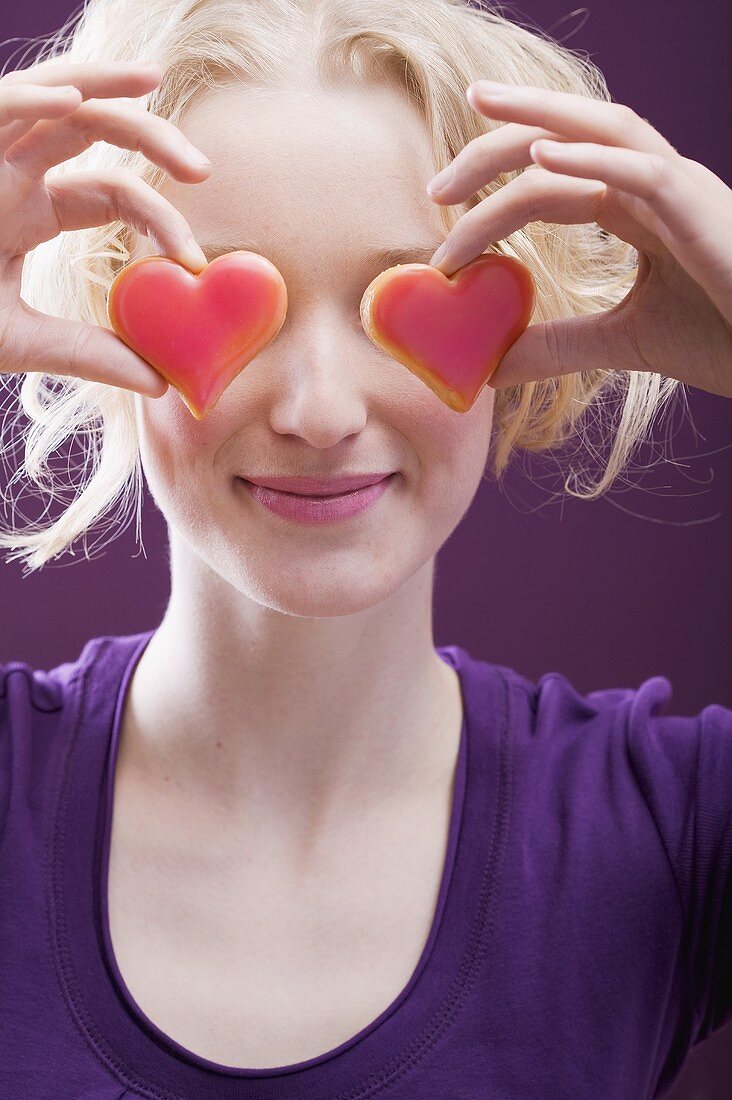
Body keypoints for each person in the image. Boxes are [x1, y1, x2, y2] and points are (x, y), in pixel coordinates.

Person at [0, 0, 729, 1096]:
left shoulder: (674, 825)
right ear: (103, 317)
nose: (321, 410)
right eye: (237, 293)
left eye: (407, 299)